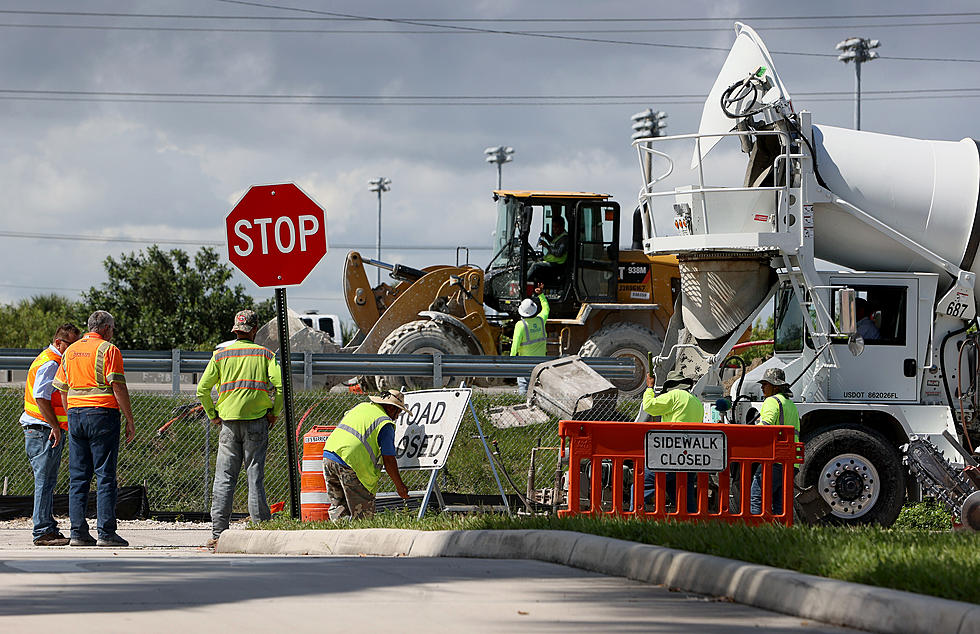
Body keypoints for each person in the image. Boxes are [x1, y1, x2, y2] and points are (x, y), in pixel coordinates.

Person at [197, 309, 283, 548]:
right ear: (255, 330)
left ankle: (218, 535)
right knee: (254, 477)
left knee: (224, 478)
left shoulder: (220, 355)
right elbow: (281, 387)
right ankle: (261, 532)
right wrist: (274, 414)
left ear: (235, 329)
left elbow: (202, 390)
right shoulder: (266, 355)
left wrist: (213, 415)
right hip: (257, 422)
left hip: (228, 424)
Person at [52, 310, 136, 547]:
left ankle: (78, 533)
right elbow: (117, 386)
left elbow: (62, 388)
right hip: (102, 414)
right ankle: (106, 533)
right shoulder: (109, 350)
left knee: (78, 477)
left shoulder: (70, 351)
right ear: (106, 328)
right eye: (112, 328)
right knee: (105, 475)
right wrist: (129, 419)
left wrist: (71, 415)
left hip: (76, 415)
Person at [21, 323, 80, 546]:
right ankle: (42, 531)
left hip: (43, 429)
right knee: (44, 481)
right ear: (59, 343)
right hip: (43, 430)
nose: (73, 351)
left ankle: (47, 527)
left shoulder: (52, 360)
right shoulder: (51, 362)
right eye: (71, 346)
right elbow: (41, 397)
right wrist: (55, 426)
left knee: (47, 481)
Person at [322, 390, 411, 520]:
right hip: (350, 462)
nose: (397, 417)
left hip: (329, 455)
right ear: (391, 407)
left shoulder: (362, 407)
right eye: (398, 412)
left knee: (339, 509)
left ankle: (338, 535)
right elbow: (389, 459)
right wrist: (400, 486)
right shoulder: (385, 423)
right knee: (363, 516)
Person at [642, 370, 704, 512]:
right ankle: (691, 525)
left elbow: (649, 406)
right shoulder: (696, 401)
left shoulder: (675, 395)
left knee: (642, 485)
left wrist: (649, 388)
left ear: (671, 386)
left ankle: (633, 519)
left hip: (671, 455)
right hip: (689, 458)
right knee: (684, 495)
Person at [750, 367, 800, 515]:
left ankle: (755, 531)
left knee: (757, 497)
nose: (762, 387)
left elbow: (765, 428)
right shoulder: (790, 404)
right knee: (780, 504)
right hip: (791, 462)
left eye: (765, 384)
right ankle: (781, 532)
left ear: (775, 387)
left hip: (774, 460)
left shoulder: (772, 401)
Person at [510, 282, 549, 396]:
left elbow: (515, 345)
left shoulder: (520, 325)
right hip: (541, 362)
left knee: (524, 386)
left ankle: (524, 405)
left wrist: (511, 360)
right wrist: (541, 295)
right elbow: (546, 308)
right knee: (538, 388)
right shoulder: (541, 320)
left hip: (525, 362)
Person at [527, 216, 569, 285]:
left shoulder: (565, 239)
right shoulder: (559, 237)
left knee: (535, 265)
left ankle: (521, 285)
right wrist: (546, 236)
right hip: (550, 261)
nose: (554, 229)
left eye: (556, 227)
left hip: (557, 265)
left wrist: (546, 246)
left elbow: (558, 253)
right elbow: (553, 243)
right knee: (528, 264)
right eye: (553, 227)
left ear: (562, 226)